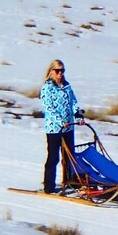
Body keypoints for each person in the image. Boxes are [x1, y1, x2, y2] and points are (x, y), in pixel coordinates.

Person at [40, 59, 84, 194]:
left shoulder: (66, 86)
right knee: (54, 157)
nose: (60, 74)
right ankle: (49, 186)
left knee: (69, 156)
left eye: (62, 71)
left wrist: (79, 116)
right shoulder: (47, 88)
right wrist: (60, 121)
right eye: (57, 71)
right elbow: (48, 108)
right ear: (51, 71)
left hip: (69, 127)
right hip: (54, 128)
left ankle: (70, 182)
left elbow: (73, 102)